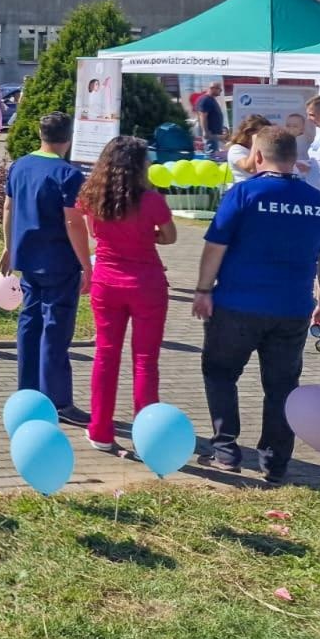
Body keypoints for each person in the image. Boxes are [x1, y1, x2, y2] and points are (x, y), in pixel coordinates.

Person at [193, 127, 320, 482]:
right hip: (291, 310)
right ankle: (275, 464)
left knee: (221, 373)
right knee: (281, 386)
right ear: (295, 159)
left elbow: (215, 247)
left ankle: (226, 450)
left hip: (236, 305)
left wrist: (202, 289)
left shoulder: (243, 194)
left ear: (258, 156)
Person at [77, 136, 177, 452]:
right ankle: (147, 434)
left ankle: (100, 431)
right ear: (140, 164)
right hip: (146, 282)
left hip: (106, 281)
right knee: (146, 360)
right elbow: (170, 238)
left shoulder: (93, 195)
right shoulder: (152, 200)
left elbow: (93, 232)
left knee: (106, 356)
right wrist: (148, 235)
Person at [0, 112, 92, 424]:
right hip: (59, 261)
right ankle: (58, 401)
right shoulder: (69, 174)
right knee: (55, 330)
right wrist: (86, 264)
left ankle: (27, 393)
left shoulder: (20, 165)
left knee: (30, 325)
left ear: (40, 134)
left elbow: (9, 208)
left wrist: (8, 247)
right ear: (69, 137)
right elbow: (73, 221)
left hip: (27, 258)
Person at [225, 115, 271, 185]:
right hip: (244, 191)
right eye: (262, 132)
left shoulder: (264, 150)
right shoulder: (236, 149)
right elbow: (251, 169)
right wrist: (256, 141)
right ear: (249, 132)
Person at [196, 82, 227, 154]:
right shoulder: (206, 100)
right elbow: (203, 116)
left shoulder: (211, 99)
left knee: (214, 154)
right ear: (212, 88)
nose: (221, 91)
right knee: (211, 155)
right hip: (210, 134)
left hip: (213, 134)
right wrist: (205, 131)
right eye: (220, 89)